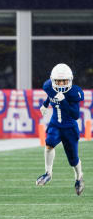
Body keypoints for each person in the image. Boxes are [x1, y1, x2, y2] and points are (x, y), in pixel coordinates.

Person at [37, 63, 85, 195]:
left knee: (73, 159)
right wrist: (45, 105)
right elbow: (51, 94)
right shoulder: (48, 86)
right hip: (55, 124)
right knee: (49, 144)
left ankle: (79, 176)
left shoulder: (75, 92)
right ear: (53, 80)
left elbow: (75, 115)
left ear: (70, 80)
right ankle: (48, 173)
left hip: (69, 127)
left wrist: (63, 101)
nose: (61, 84)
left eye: (64, 81)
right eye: (58, 81)